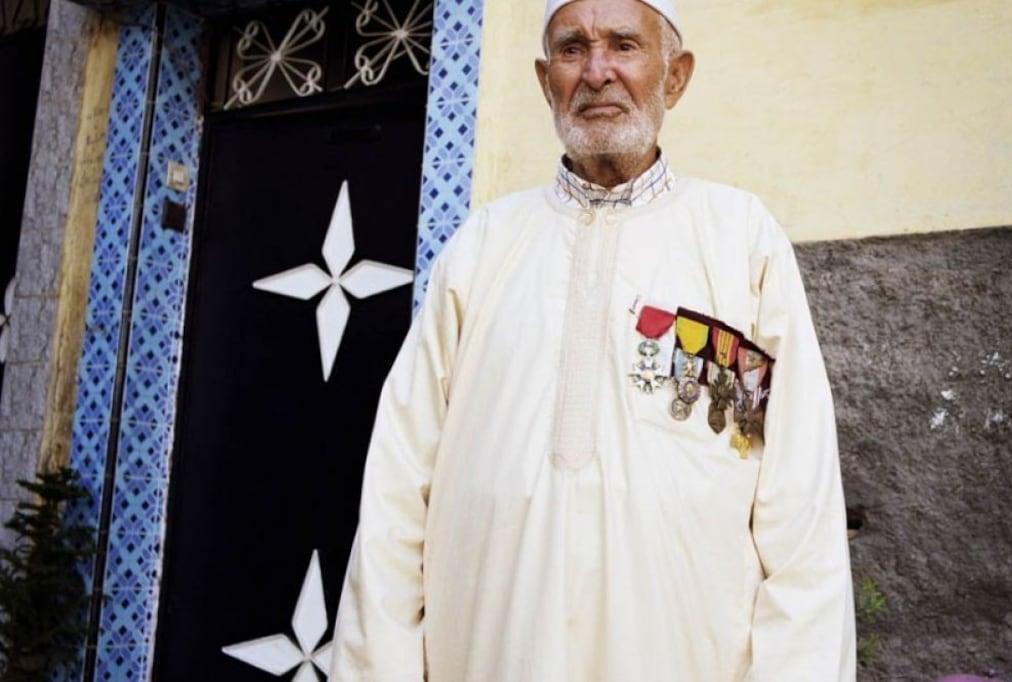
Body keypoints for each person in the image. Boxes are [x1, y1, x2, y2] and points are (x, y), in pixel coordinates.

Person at [329, 0, 856, 679]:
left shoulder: (740, 238)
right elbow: (399, 488)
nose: (597, 71)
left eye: (624, 45)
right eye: (573, 48)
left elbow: (799, 497)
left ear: (675, 76)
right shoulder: (483, 246)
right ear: (547, 81)